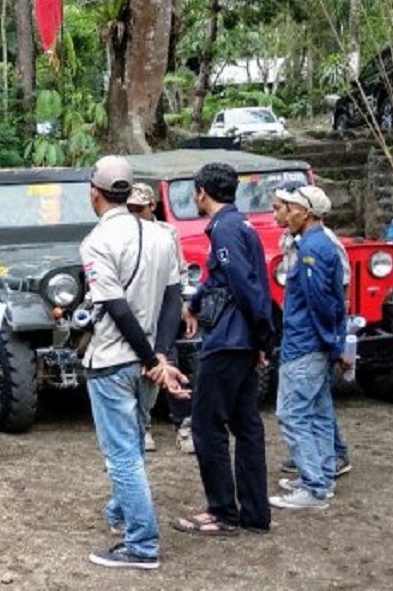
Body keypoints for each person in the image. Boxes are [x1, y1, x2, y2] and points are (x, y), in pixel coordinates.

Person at [79, 158, 189, 570]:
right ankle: (121, 514)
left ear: (95, 192)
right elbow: (175, 298)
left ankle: (141, 545)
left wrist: (149, 358)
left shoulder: (96, 242)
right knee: (133, 445)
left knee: (121, 453)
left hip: (112, 359)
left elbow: (116, 307)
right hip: (147, 363)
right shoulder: (163, 235)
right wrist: (159, 356)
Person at [175, 162, 276, 536]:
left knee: (207, 425)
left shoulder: (226, 229)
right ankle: (254, 512)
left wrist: (264, 336)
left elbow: (246, 284)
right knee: (247, 424)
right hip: (243, 339)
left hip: (230, 341)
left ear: (201, 192)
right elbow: (224, 277)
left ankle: (222, 512)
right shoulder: (239, 226)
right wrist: (196, 301)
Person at [269, 184, 345, 510]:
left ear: (307, 212)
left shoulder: (313, 249)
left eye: (290, 208)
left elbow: (321, 302)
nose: (284, 214)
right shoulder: (316, 244)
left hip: (305, 345)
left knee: (292, 413)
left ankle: (313, 488)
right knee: (318, 411)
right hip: (314, 344)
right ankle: (322, 478)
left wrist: (331, 342)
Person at [127, 182, 193, 455]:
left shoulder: (167, 233)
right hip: (133, 311)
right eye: (130, 208)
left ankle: (184, 425)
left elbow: (180, 271)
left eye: (139, 209)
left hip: (162, 308)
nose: (134, 214)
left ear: (152, 207)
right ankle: (143, 427)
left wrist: (185, 304)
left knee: (169, 360)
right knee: (134, 367)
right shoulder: (124, 233)